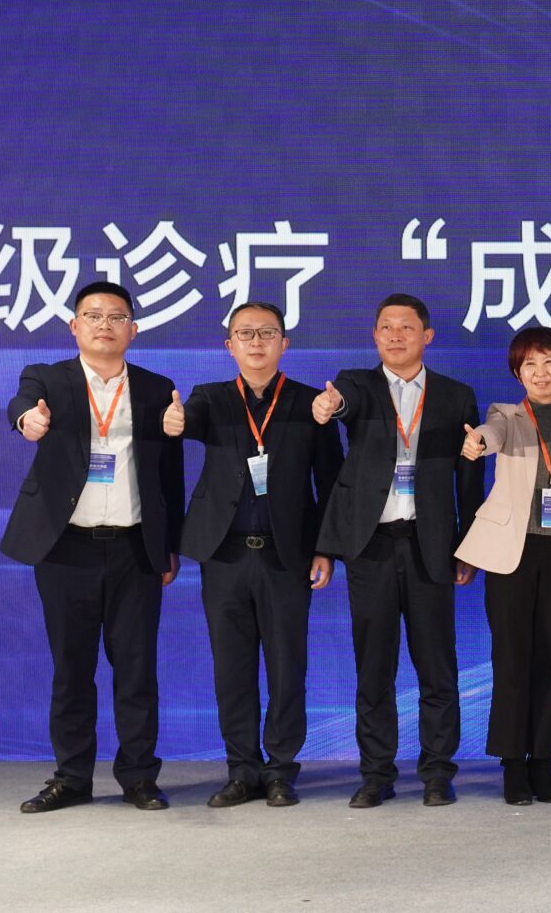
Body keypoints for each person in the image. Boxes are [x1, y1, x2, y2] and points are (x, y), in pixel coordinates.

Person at [4, 281, 185, 813]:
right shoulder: (47, 379)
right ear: (74, 326)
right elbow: (21, 405)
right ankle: (71, 778)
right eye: (93, 315)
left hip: (134, 550)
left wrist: (169, 545)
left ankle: (139, 777)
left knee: (136, 670)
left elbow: (168, 475)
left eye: (116, 316)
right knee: (71, 670)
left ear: (134, 329)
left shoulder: (157, 389)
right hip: (65, 549)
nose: (105, 325)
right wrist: (27, 420)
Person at [311, 293, 484, 809]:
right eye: (385, 326)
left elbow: (469, 477)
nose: (394, 335)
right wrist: (329, 406)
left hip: (431, 547)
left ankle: (437, 773)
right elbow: (342, 404)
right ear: (374, 335)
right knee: (374, 668)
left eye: (406, 327)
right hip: (371, 548)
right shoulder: (356, 384)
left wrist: (469, 545)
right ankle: (376, 774)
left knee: (438, 667)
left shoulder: (455, 395)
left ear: (426, 336)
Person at [174, 301, 340, 809]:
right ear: (230, 345)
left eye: (267, 333)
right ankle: (241, 771)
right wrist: (175, 420)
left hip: (286, 557)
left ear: (284, 343)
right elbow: (189, 422)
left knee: (288, 668)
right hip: (224, 556)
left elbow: (330, 481)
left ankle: (280, 770)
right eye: (245, 333)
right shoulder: (209, 398)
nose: (256, 342)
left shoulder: (311, 404)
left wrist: (325, 549)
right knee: (232, 668)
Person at [456, 327, 551, 806]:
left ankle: (543, 762)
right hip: (510, 555)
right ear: (518, 373)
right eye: (530, 365)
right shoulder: (506, 415)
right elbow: (490, 436)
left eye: (549, 363)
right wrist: (477, 442)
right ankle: (512, 764)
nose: (540, 373)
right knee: (512, 660)